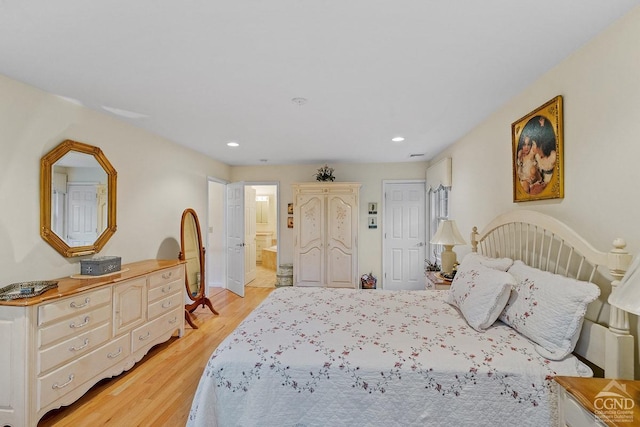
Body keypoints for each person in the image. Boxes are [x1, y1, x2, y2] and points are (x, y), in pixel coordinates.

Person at [515, 121, 542, 194]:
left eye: (528, 144)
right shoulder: (520, 157)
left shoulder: (531, 153)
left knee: (533, 170)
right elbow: (519, 173)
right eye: (524, 145)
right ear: (521, 146)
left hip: (534, 178)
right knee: (524, 185)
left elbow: (535, 144)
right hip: (525, 181)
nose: (526, 147)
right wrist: (519, 155)